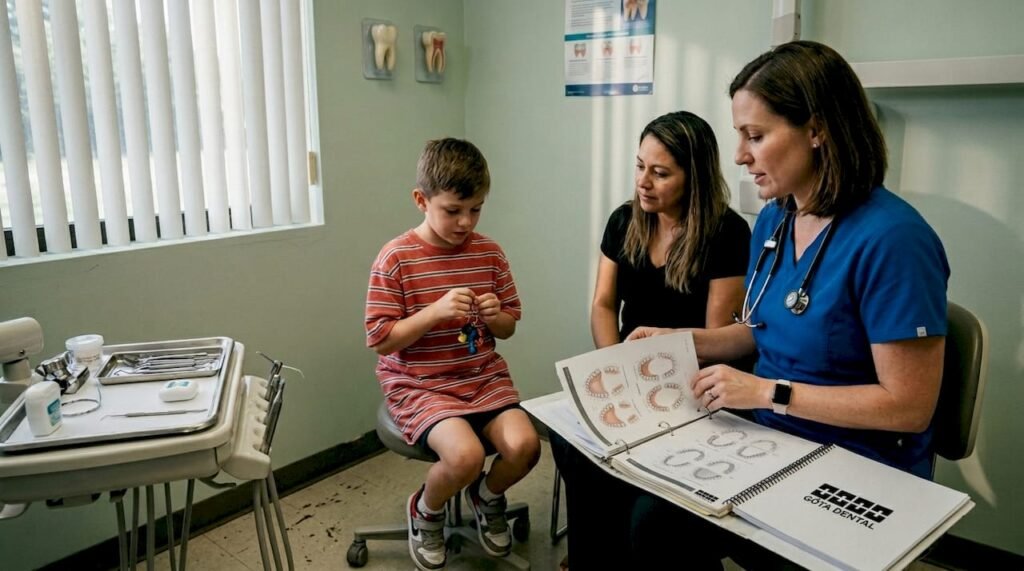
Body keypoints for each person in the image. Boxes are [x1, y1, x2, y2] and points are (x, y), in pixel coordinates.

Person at [629, 41, 950, 568]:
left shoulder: (895, 241)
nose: (740, 155)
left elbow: (908, 408)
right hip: (771, 438)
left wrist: (764, 391)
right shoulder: (776, 220)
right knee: (652, 516)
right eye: (740, 136)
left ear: (817, 130)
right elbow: (761, 328)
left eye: (755, 136)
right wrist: (683, 340)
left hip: (859, 460)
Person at [549, 110, 751, 570]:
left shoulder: (726, 232)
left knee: (641, 495)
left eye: (660, 173)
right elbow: (603, 305)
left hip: (688, 386)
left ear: (694, 176)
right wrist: (613, 369)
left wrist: (647, 381)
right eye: (640, 166)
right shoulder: (625, 221)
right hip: (630, 378)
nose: (643, 182)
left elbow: (715, 340)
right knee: (572, 444)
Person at [365, 138, 541, 571]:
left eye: (476, 209)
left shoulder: (489, 253)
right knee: (466, 457)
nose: (465, 222)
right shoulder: (396, 258)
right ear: (421, 200)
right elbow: (382, 339)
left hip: (481, 376)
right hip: (420, 383)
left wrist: (496, 316)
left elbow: (509, 327)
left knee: (526, 446)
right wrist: (434, 313)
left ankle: (486, 495)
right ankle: (425, 509)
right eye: (452, 210)